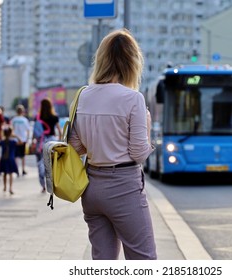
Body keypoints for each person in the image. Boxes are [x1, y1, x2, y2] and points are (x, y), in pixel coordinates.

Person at [68, 29, 156, 260]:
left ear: (101, 59)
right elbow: (139, 153)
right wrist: (146, 127)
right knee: (143, 259)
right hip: (124, 187)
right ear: (133, 62)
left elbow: (75, 147)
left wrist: (100, 138)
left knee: (103, 261)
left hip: (92, 187)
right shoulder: (133, 98)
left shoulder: (83, 95)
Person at [34, 98, 61, 192]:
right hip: (52, 142)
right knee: (51, 163)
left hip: (41, 142)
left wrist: (34, 142)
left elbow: (36, 132)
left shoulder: (38, 117)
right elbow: (60, 131)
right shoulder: (54, 117)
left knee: (40, 163)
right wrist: (60, 141)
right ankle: (51, 185)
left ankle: (43, 186)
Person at [0, 127, 20, 195]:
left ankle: (5, 187)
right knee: (10, 174)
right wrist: (16, 136)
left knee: (5, 174)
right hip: (11, 159)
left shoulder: (2, 141)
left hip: (4, 159)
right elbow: (21, 143)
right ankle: (10, 188)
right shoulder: (13, 141)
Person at [11, 104, 30, 176]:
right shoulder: (25, 120)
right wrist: (27, 139)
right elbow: (28, 130)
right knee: (23, 156)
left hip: (15, 140)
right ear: (22, 111)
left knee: (16, 156)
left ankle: (17, 170)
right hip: (23, 139)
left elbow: (11, 130)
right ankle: (23, 169)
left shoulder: (13, 120)